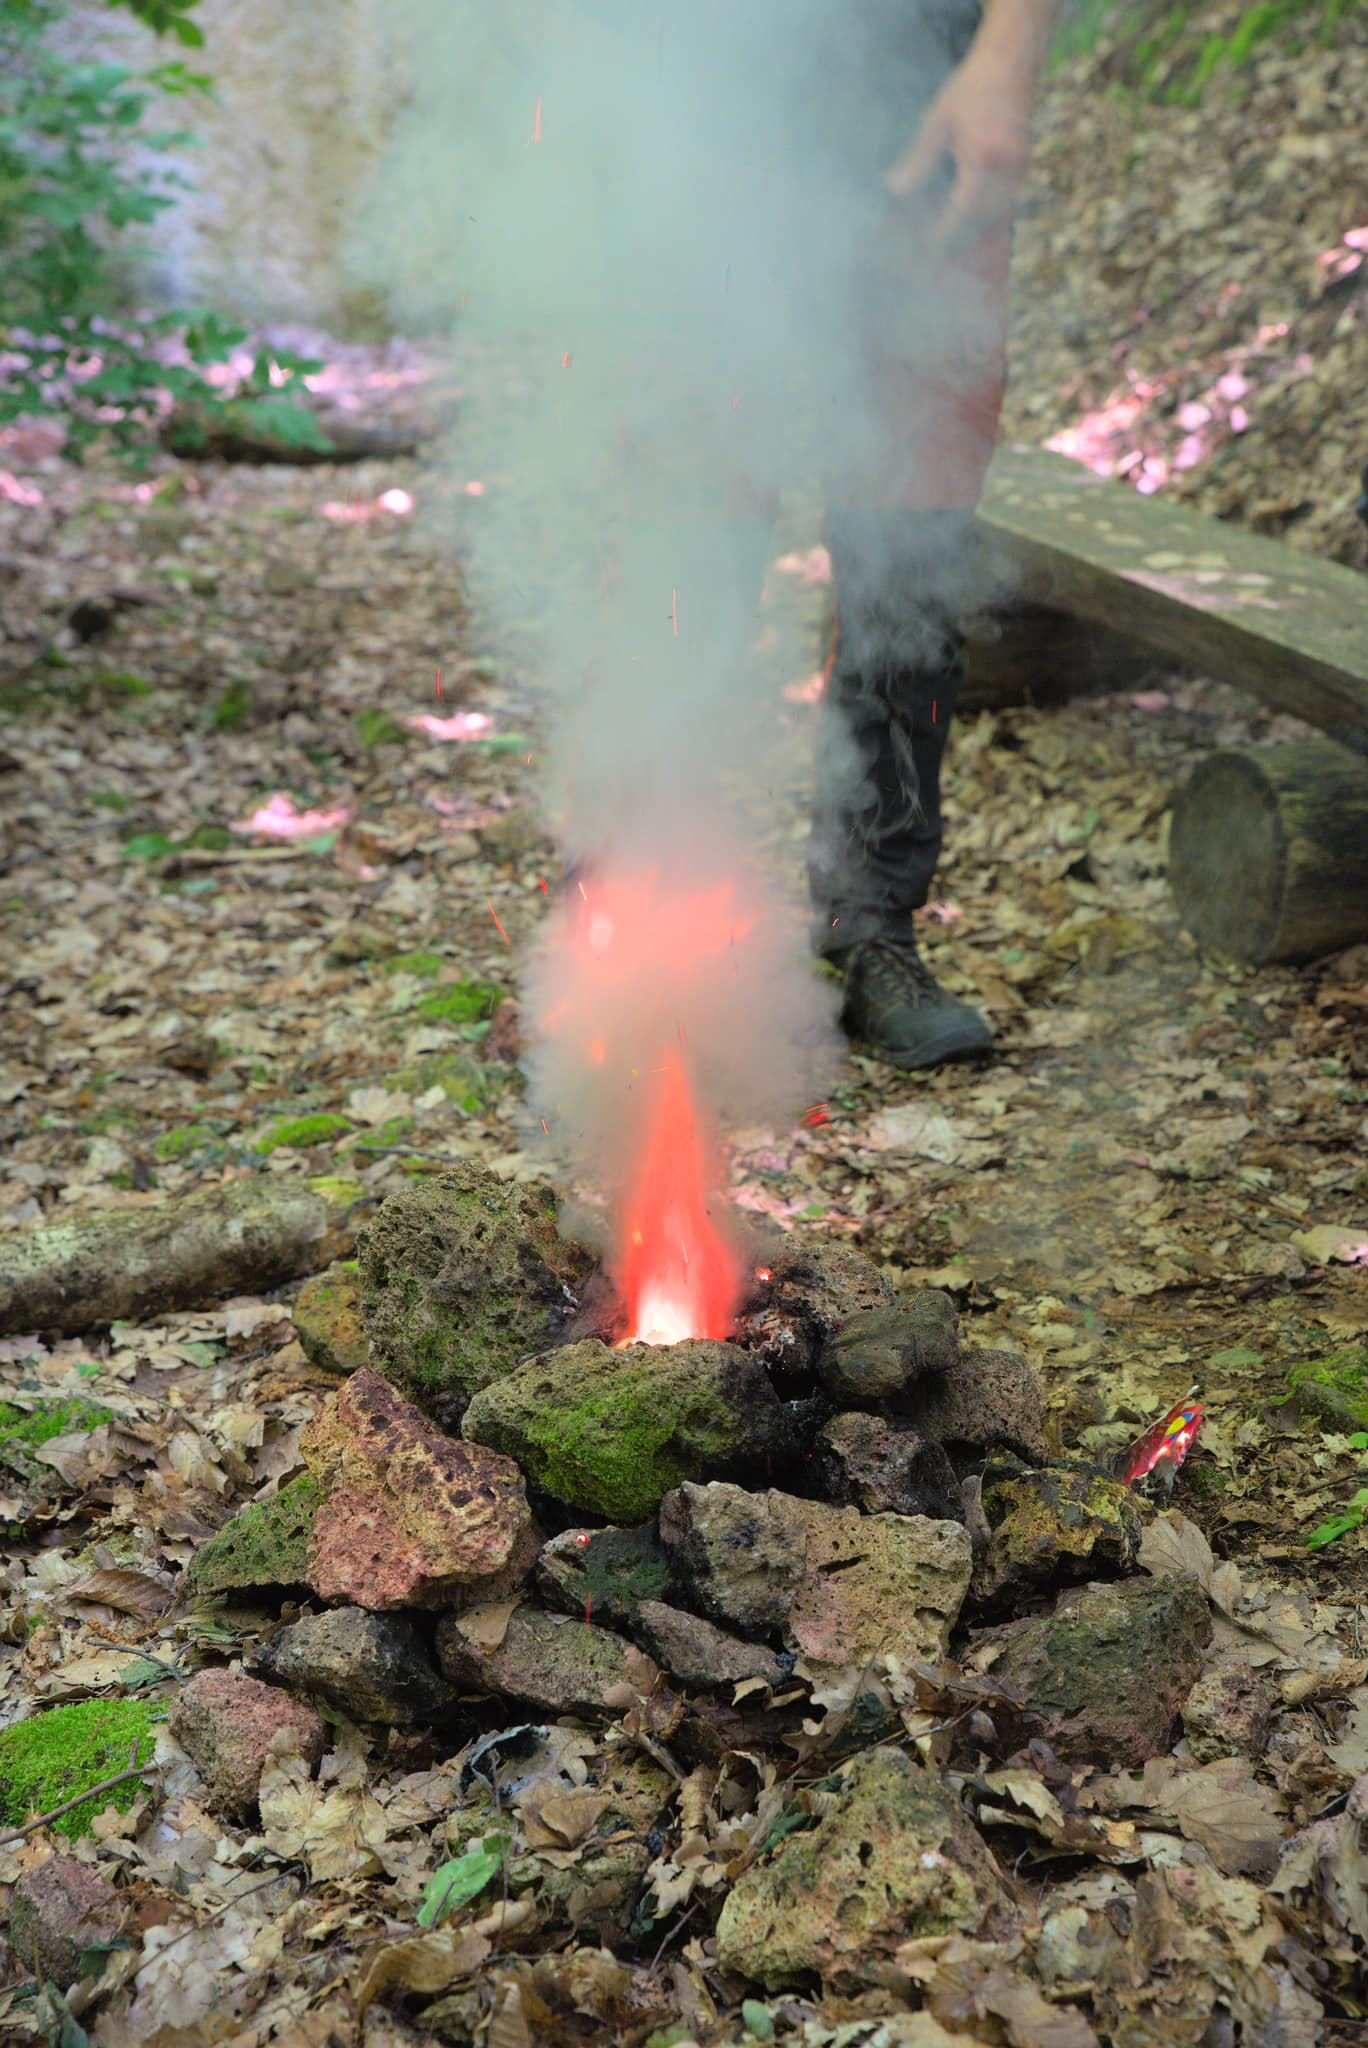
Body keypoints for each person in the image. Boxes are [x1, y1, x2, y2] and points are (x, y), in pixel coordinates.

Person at [807, 0, 1059, 1069]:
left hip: (923, 97)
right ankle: (627, 927)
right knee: (683, 526)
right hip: (704, 102)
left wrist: (1006, 54)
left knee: (910, 546)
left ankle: (868, 928)